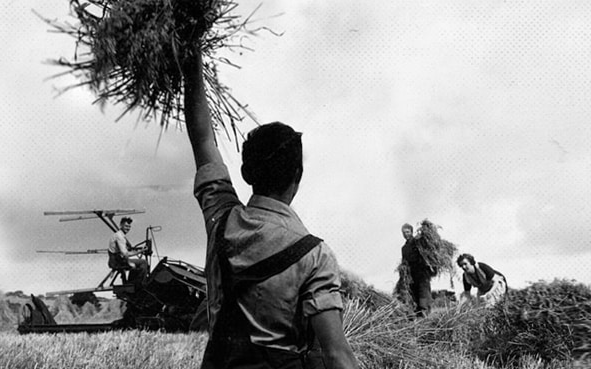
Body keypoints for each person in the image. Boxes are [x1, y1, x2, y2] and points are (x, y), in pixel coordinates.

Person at [184, 45, 358, 369]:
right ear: (298, 176)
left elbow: (202, 139)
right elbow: (337, 355)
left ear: (246, 173)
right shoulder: (315, 257)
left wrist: (190, 62)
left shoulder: (220, 219)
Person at [400, 223, 434, 317]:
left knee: (423, 293)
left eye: (407, 232)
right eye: (404, 232)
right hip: (411, 275)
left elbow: (426, 248)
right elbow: (404, 262)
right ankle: (419, 317)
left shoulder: (417, 242)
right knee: (414, 295)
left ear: (411, 232)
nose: (405, 234)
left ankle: (426, 315)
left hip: (422, 273)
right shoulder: (404, 248)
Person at [107, 217, 149, 288]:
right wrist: (130, 262)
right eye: (126, 226)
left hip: (116, 260)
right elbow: (125, 254)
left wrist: (139, 251)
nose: (128, 228)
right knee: (143, 262)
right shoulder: (120, 237)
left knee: (137, 264)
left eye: (129, 226)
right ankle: (139, 286)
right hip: (117, 261)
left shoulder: (117, 235)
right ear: (121, 225)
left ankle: (132, 282)